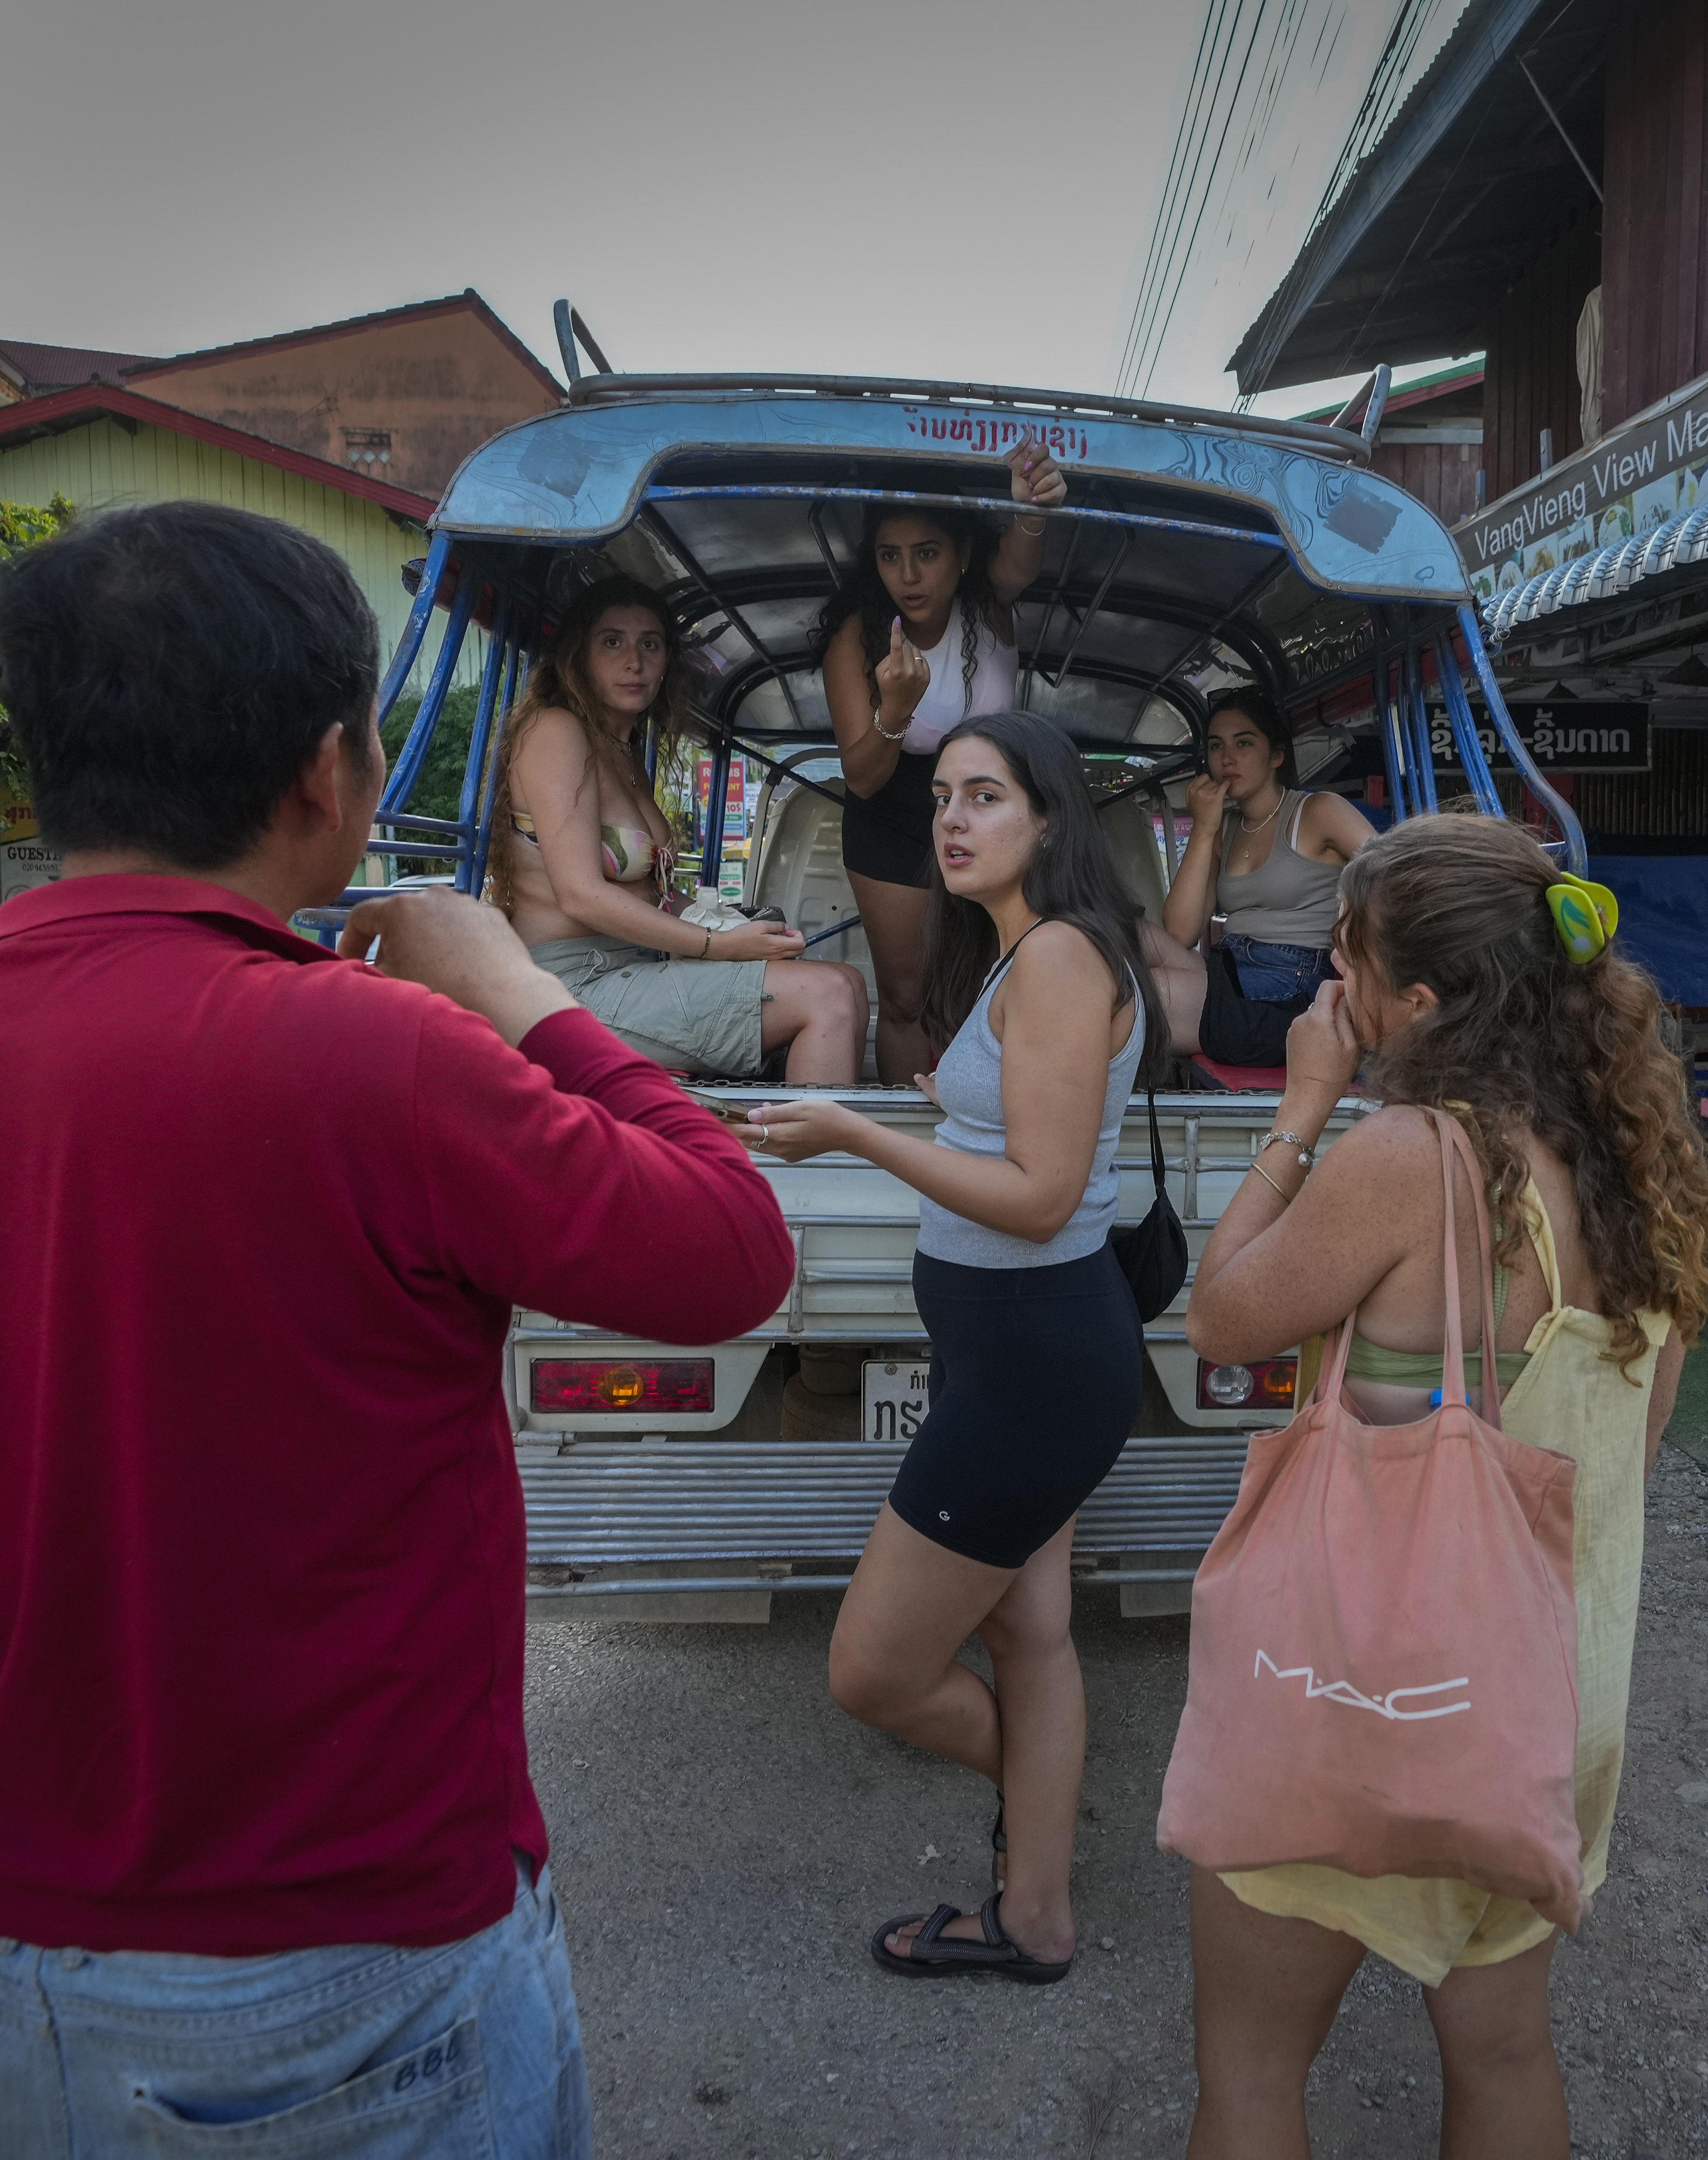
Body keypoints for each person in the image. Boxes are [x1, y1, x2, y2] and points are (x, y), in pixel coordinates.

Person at [0, 501, 798, 2157]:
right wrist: (522, 995)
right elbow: (728, 1246)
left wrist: (55, 1524)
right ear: (322, 776)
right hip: (366, 1974)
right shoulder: (384, 1058)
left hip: (14, 1978)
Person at [1177, 814, 1708, 2160]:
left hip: (1365, 1698)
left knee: (1252, 2066)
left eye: (1348, 961)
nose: (1334, 990)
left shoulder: (1412, 1158)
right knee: (1501, 2047)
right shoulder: (1632, 1174)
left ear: (1417, 1003)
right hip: (1542, 1702)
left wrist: (1303, 1109)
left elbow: (1222, 1318)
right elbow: (1626, 1447)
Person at [741, 709, 1163, 1986]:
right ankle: (1035, 1911)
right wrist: (953, 1097)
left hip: (1034, 1365)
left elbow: (1039, 1193)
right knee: (1032, 1635)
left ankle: (1037, 1810)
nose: (952, 820)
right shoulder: (1033, 954)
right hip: (1025, 1354)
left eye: (986, 796)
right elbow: (1025, 1125)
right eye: (942, 799)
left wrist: (855, 1133)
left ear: (1049, 819)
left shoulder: (1055, 963)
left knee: (873, 1669)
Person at [495, 573, 868, 1082]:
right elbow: (580, 895)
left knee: (847, 980)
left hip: (631, 969)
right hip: (572, 987)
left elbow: (654, 894)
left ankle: (818, 1152)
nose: (635, 662)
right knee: (827, 998)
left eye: (650, 644)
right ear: (577, 655)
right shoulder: (555, 731)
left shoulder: (624, 755)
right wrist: (719, 947)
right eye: (612, 643)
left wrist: (739, 928)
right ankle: (807, 1162)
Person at [817, 443, 1065, 1081]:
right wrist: (895, 710)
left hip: (994, 808)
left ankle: (990, 1139)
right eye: (890, 556)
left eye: (927, 553)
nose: (909, 575)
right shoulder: (856, 633)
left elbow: (1021, 558)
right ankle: (912, 1149)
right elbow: (863, 777)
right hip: (892, 814)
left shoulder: (990, 600)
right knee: (905, 1001)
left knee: (990, 989)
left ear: (961, 554)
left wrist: (1032, 508)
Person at [1159, 688, 1373, 1066]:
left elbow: (1400, 874)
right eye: (1216, 746)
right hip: (1233, 967)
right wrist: (1205, 827)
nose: (1227, 759)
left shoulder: (1318, 811)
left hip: (1294, 985)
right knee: (1124, 938)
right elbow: (1179, 932)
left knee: (1136, 992)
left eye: (1244, 743)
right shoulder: (1223, 827)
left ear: (1276, 755)